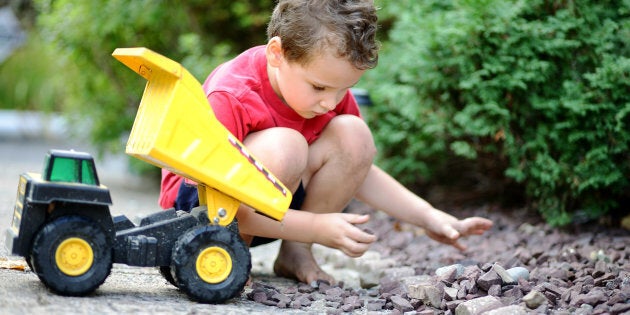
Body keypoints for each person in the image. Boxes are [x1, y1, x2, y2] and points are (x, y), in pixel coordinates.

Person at [159, 0, 493, 285]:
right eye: (319, 87)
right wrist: (316, 226)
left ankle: (296, 253)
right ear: (277, 53)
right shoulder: (233, 93)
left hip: (273, 211)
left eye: (342, 89)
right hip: (202, 212)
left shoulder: (324, 97)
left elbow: (358, 166)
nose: (330, 103)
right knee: (287, 146)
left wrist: (428, 216)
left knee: (354, 134)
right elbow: (215, 202)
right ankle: (231, 251)